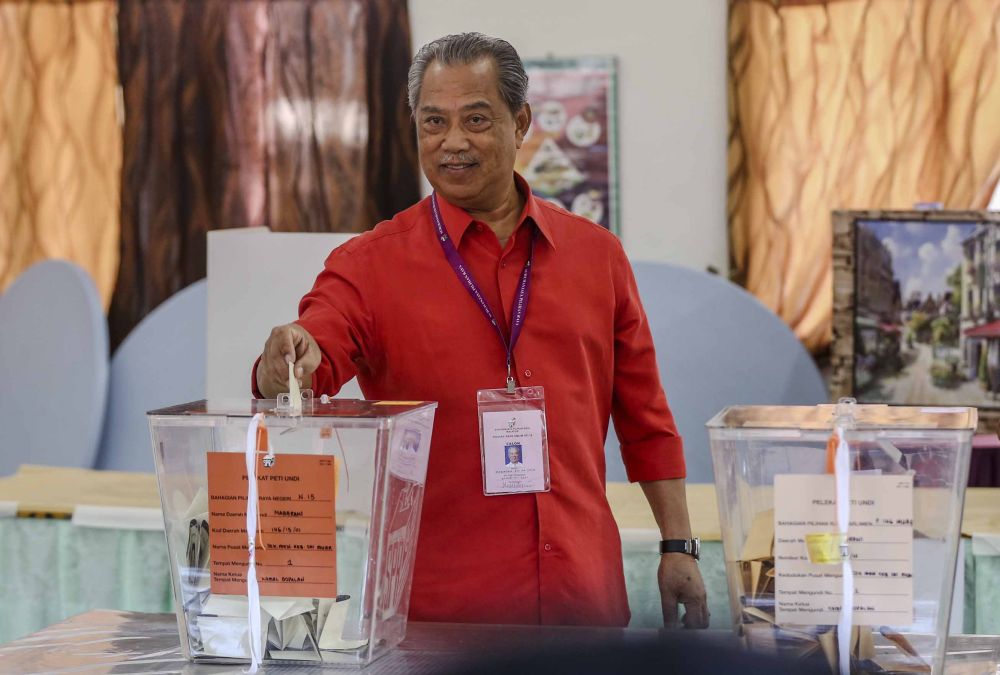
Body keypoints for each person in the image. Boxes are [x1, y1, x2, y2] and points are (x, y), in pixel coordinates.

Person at [254, 32, 708, 629]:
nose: (453, 143)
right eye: (434, 122)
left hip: (583, 603)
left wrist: (678, 546)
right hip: (439, 616)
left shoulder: (597, 256)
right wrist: (287, 357)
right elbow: (305, 360)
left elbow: (646, 417)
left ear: (520, 122)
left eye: (476, 119)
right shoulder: (368, 265)